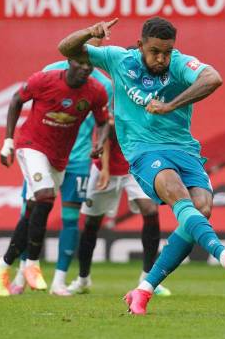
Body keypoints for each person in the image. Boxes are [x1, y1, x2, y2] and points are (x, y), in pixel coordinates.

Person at [59, 16, 225, 315]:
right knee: (180, 197)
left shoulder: (179, 64)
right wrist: (89, 32)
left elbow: (213, 78)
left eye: (167, 51)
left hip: (185, 150)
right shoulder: (118, 59)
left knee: (201, 211)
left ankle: (143, 290)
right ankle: (224, 254)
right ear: (140, 46)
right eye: (155, 52)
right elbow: (66, 49)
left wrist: (172, 105)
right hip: (144, 151)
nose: (162, 58)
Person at [0, 58, 109, 297]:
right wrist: (8, 142)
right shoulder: (45, 79)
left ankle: (3, 263)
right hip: (31, 146)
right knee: (45, 197)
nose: (86, 68)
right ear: (69, 62)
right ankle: (32, 265)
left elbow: (103, 121)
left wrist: (100, 142)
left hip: (60, 157)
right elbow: (16, 100)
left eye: (90, 65)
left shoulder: (96, 90)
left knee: (34, 208)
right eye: (81, 63)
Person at [66, 119, 171, 297]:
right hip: (105, 169)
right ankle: (83, 280)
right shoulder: (116, 103)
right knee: (92, 223)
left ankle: (148, 280)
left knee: (151, 211)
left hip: (134, 169)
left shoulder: (144, 104)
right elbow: (105, 134)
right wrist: (105, 170)